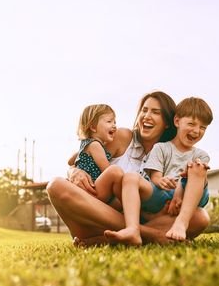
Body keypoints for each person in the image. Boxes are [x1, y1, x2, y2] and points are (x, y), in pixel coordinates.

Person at [46, 91, 210, 246]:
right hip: (95, 216)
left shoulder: (172, 153)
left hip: (144, 219)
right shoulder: (122, 137)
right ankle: (149, 235)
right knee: (56, 186)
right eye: (144, 110)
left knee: (200, 217)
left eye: (155, 112)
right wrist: (75, 171)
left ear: (168, 122)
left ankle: (108, 238)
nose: (147, 116)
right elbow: (83, 155)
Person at [104, 97, 213, 245]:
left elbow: (194, 181)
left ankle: (181, 223)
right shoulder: (161, 148)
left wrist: (179, 192)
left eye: (202, 128)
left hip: (191, 196)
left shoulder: (201, 155)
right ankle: (132, 229)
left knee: (198, 168)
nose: (196, 131)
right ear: (177, 122)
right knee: (130, 177)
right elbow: (155, 176)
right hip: (163, 194)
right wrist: (160, 180)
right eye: (191, 124)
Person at [70, 104, 123, 210]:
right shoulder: (95, 145)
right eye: (109, 121)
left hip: (88, 190)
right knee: (115, 172)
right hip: (93, 189)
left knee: (122, 207)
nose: (114, 126)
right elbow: (107, 169)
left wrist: (75, 168)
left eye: (114, 122)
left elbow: (70, 161)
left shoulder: (85, 144)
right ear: (93, 127)